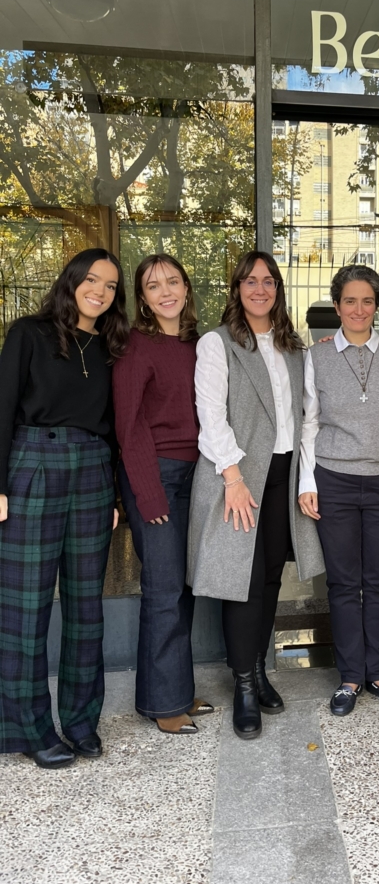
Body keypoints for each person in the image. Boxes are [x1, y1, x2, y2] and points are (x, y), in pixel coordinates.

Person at [0, 248, 129, 769]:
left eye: (111, 286)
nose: (99, 291)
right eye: (92, 280)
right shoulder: (28, 334)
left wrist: (116, 492)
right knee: (25, 606)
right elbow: (1, 408)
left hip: (93, 472)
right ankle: (30, 728)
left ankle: (80, 722)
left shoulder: (111, 348)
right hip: (34, 464)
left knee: (85, 607)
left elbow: (117, 427)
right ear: (72, 280)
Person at [187, 251, 324, 740]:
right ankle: (243, 682)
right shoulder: (217, 343)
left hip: (282, 473)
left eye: (268, 281)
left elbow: (307, 418)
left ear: (278, 289)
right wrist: (233, 476)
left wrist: (305, 480)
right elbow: (211, 415)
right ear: (237, 289)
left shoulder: (293, 346)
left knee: (268, 577)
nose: (260, 289)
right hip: (239, 475)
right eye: (250, 281)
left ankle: (259, 670)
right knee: (241, 579)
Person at [298, 265, 379, 717]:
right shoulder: (317, 355)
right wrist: (308, 482)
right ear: (337, 305)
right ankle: (349, 677)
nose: (358, 309)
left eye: (367, 301)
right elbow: (309, 422)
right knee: (343, 582)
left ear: (377, 305)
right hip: (334, 478)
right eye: (349, 301)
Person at [113, 254, 214, 736]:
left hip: (200, 476)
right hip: (158, 477)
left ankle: (173, 688)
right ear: (143, 299)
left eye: (173, 281)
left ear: (187, 288)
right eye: (154, 286)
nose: (166, 291)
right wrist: (148, 494)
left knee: (185, 588)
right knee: (164, 590)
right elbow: (128, 426)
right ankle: (164, 704)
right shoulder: (137, 347)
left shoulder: (201, 343)